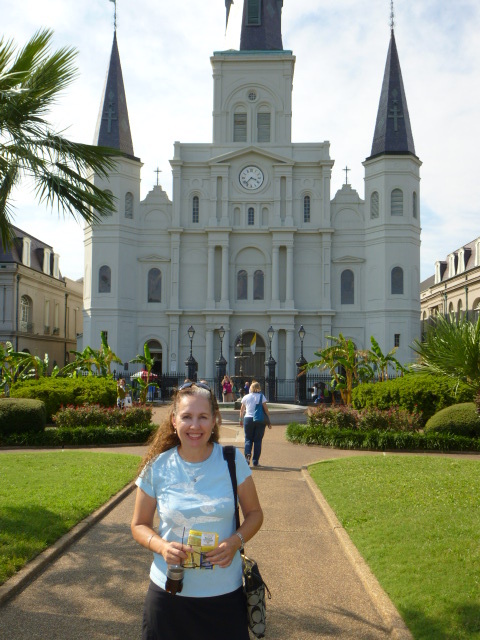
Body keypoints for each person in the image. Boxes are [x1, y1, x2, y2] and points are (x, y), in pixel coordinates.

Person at [131, 381, 264, 640]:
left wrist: (235, 542)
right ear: (174, 421)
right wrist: (162, 547)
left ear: (214, 420)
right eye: (187, 417)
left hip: (224, 597)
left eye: (203, 417)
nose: (195, 425)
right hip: (169, 594)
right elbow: (139, 524)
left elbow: (255, 514)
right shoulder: (157, 466)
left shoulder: (231, 460)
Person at [239, 380, 271, 467]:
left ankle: (247, 455)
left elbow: (242, 410)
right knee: (258, 440)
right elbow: (266, 409)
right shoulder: (261, 396)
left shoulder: (246, 397)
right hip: (259, 419)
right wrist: (269, 420)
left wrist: (240, 419)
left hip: (248, 419)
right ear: (259, 388)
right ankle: (255, 461)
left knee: (248, 438)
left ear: (251, 388)